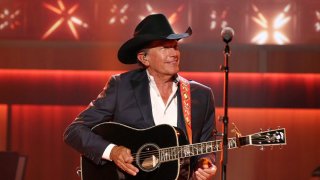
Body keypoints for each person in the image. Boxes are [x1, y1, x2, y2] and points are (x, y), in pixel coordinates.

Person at [64, 13, 217, 180]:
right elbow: (75, 131)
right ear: (144, 58)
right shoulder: (122, 86)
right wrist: (112, 151)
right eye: (164, 47)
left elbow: (207, 142)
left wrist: (205, 162)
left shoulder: (202, 95)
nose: (174, 53)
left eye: (175, 46)